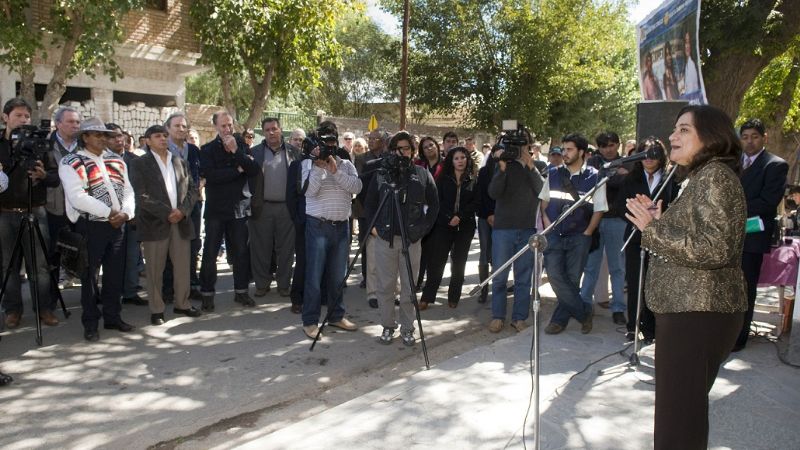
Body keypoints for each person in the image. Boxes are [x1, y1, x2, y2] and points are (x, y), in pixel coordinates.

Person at [625, 104, 748, 450]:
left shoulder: (716, 177)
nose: (671, 136)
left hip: (698, 313)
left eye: (683, 130)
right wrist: (662, 223)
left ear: (710, 136)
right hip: (688, 310)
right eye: (674, 130)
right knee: (681, 415)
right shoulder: (700, 176)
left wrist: (653, 230)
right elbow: (700, 238)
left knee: (678, 420)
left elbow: (716, 249)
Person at [60, 117, 136, 342]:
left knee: (114, 275)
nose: (104, 139)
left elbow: (129, 190)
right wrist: (110, 213)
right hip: (90, 226)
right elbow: (77, 196)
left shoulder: (117, 160)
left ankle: (113, 317)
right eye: (98, 135)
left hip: (118, 225)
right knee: (89, 277)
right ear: (85, 137)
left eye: (105, 135)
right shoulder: (71, 161)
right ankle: (90, 322)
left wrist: (126, 213)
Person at [365, 131, 438, 345]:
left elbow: (434, 205)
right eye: (399, 148)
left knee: (408, 288)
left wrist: (421, 230)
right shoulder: (382, 174)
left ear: (413, 151)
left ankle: (408, 327)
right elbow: (369, 204)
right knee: (385, 286)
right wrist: (374, 229)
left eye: (407, 148)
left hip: (411, 240)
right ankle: (388, 326)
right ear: (392, 150)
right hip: (385, 239)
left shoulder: (422, 174)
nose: (403, 152)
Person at [130, 125, 200, 325]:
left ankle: (182, 304)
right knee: (154, 269)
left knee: (182, 267)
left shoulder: (179, 161)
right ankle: (157, 309)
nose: (162, 139)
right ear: (147, 140)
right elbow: (141, 195)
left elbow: (192, 190)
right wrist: (167, 212)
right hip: (155, 224)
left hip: (180, 222)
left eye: (164, 135)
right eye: (157, 136)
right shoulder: (140, 163)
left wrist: (182, 211)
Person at [0, 98, 60, 329]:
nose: (24, 120)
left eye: (27, 116)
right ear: (6, 117)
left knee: (41, 266)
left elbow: (55, 178)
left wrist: (44, 176)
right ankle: (13, 310)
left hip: (36, 212)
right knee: (8, 266)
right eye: (18, 115)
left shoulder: (39, 143)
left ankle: (43, 309)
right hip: (5, 214)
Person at [541, 133, 607, 335]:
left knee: (571, 279)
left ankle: (559, 321)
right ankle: (583, 312)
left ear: (581, 152)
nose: (564, 153)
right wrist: (548, 225)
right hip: (554, 234)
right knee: (554, 276)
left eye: (569, 149)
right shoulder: (553, 173)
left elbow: (599, 208)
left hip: (580, 236)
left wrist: (587, 233)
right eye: (563, 149)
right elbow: (543, 204)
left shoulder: (596, 177)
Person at [300, 126, 362, 339]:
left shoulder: (345, 164)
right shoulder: (308, 164)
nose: (329, 147)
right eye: (325, 144)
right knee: (314, 277)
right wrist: (319, 168)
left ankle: (336, 316)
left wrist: (334, 170)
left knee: (337, 278)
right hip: (317, 227)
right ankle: (310, 321)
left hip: (341, 228)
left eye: (332, 143)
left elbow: (357, 187)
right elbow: (308, 191)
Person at [618, 137, 679, 342]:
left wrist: (659, 214)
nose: (649, 158)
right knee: (635, 282)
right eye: (644, 152)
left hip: (660, 238)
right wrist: (638, 212)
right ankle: (633, 326)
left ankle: (652, 328)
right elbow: (620, 206)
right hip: (635, 236)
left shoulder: (672, 177)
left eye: (653, 153)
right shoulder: (631, 178)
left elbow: (677, 207)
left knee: (655, 283)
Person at [198, 111, 260, 311]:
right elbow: (210, 176)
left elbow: (253, 170)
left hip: (239, 210)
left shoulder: (242, 146)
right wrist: (236, 171)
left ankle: (241, 292)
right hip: (216, 210)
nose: (227, 129)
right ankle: (207, 294)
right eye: (223, 126)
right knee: (210, 254)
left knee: (241, 253)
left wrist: (237, 153)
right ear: (216, 126)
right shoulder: (207, 149)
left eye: (230, 126)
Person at [734, 118, 788, 351]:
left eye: (754, 137)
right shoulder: (732, 163)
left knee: (745, 288)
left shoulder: (775, 165)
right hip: (726, 236)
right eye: (745, 137)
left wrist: (731, 207)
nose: (749, 142)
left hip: (752, 236)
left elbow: (767, 202)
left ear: (764, 138)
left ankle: (738, 338)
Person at [487, 130, 545, 332]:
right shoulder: (503, 165)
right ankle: (497, 316)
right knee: (500, 276)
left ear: (529, 146)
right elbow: (493, 192)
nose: (518, 149)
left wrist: (530, 167)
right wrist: (501, 169)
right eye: (514, 145)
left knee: (523, 277)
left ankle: (519, 317)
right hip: (503, 229)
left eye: (522, 145)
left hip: (527, 229)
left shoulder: (538, 166)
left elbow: (542, 192)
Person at [420, 147, 479, 309]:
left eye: (463, 157)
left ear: (467, 159)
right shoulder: (443, 178)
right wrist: (449, 217)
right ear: (451, 161)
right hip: (443, 226)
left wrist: (459, 217)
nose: (460, 161)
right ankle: (427, 297)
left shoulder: (474, 179)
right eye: (456, 158)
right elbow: (437, 200)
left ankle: (454, 296)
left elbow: (475, 202)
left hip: (465, 226)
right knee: (436, 262)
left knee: (459, 262)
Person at [249, 117, 300, 298]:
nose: (271, 132)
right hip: (262, 207)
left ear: (281, 130)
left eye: (274, 129)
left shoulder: (294, 152)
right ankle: (262, 285)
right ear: (263, 132)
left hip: (287, 208)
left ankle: (284, 285)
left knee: (286, 249)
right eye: (268, 129)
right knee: (260, 248)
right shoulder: (254, 153)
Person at [581, 131, 628, 324]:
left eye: (611, 145)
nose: (608, 149)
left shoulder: (628, 162)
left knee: (617, 268)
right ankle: (583, 306)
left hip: (617, 220)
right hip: (594, 220)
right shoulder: (592, 164)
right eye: (603, 146)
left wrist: (610, 176)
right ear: (598, 147)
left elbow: (624, 183)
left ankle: (618, 308)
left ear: (618, 145)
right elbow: (594, 183)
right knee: (591, 266)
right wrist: (613, 175)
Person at [106, 123, 146, 307]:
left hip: (132, 217)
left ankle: (130, 291)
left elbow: (140, 189)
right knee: (112, 259)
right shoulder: (101, 162)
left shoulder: (135, 160)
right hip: (109, 218)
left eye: (120, 136)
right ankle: (110, 294)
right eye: (113, 137)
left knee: (132, 256)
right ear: (105, 140)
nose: (119, 140)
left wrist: (136, 213)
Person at [166, 112, 203, 300]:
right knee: (168, 248)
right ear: (168, 129)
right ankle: (168, 289)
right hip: (169, 208)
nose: (181, 129)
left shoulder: (194, 150)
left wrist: (196, 191)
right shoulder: (161, 150)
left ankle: (191, 285)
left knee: (192, 246)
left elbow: (200, 175)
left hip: (192, 207)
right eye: (177, 126)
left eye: (183, 126)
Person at [46, 107, 81, 290]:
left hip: (82, 207)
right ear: (58, 124)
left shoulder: (84, 145)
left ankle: (90, 297)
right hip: (55, 206)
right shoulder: (47, 145)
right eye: (70, 122)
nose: (75, 125)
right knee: (54, 253)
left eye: (77, 122)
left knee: (83, 252)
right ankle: (50, 300)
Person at [354, 129, 387, 304]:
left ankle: (386, 286)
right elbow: (359, 183)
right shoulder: (362, 159)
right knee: (368, 246)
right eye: (370, 138)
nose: (372, 141)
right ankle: (369, 281)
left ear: (384, 141)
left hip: (387, 209)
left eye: (376, 138)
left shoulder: (390, 157)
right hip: (366, 208)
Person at [414, 136, 443, 297]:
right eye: (425, 147)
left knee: (435, 254)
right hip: (421, 213)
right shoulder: (418, 166)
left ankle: (430, 287)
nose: (429, 148)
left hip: (440, 212)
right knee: (420, 251)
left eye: (431, 145)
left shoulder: (445, 165)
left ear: (437, 146)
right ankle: (416, 283)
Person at [475, 146, 498, 304]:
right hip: (485, 217)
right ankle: (483, 288)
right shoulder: (484, 172)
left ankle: (497, 288)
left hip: (503, 218)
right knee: (484, 252)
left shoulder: (509, 171)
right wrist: (489, 214)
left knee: (498, 254)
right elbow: (480, 194)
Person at [683, 29, 700, 97]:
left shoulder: (691, 65)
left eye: (689, 42)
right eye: (685, 42)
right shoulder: (686, 65)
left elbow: (691, 93)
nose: (687, 46)